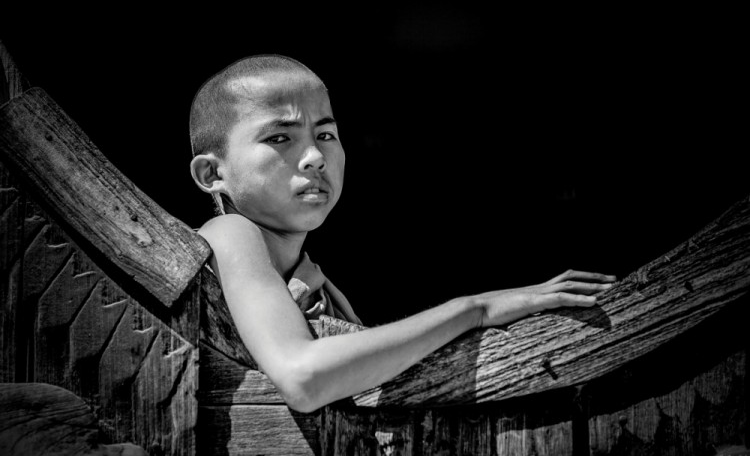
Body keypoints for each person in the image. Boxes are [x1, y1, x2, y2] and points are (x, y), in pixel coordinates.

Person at [189, 54, 616, 413]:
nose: (315, 156)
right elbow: (304, 377)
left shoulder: (310, 278)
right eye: (281, 137)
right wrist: (474, 309)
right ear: (212, 173)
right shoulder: (230, 232)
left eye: (325, 134)